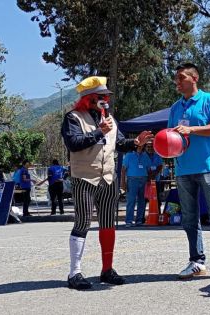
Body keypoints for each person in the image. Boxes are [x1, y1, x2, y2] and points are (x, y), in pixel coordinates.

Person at [61, 75, 152, 290]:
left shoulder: (110, 119)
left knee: (108, 223)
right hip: (84, 177)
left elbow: (118, 143)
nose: (107, 99)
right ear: (90, 98)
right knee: (83, 222)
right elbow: (73, 143)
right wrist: (99, 131)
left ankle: (107, 270)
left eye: (107, 96)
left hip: (109, 178)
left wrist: (135, 142)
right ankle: (74, 273)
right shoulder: (74, 117)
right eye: (102, 96)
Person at [167, 63, 210, 281]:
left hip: (208, 168)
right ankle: (197, 262)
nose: (177, 82)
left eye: (181, 78)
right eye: (176, 79)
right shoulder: (174, 108)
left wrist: (192, 130)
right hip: (183, 169)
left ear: (194, 78)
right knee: (189, 218)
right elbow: (172, 136)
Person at [121, 145, 151, 227]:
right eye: (139, 145)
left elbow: (149, 169)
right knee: (131, 200)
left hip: (144, 179)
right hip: (132, 179)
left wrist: (149, 180)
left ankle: (139, 220)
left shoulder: (145, 155)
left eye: (142, 145)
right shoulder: (129, 155)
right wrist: (122, 183)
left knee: (142, 201)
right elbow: (123, 169)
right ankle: (129, 221)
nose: (141, 147)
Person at [145, 141, 164, 209]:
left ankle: (158, 214)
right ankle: (142, 218)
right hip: (146, 182)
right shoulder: (143, 155)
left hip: (156, 181)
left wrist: (154, 173)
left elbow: (160, 166)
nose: (150, 148)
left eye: (151, 147)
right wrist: (149, 175)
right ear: (145, 148)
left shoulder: (158, 155)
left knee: (157, 199)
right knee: (144, 200)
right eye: (148, 147)